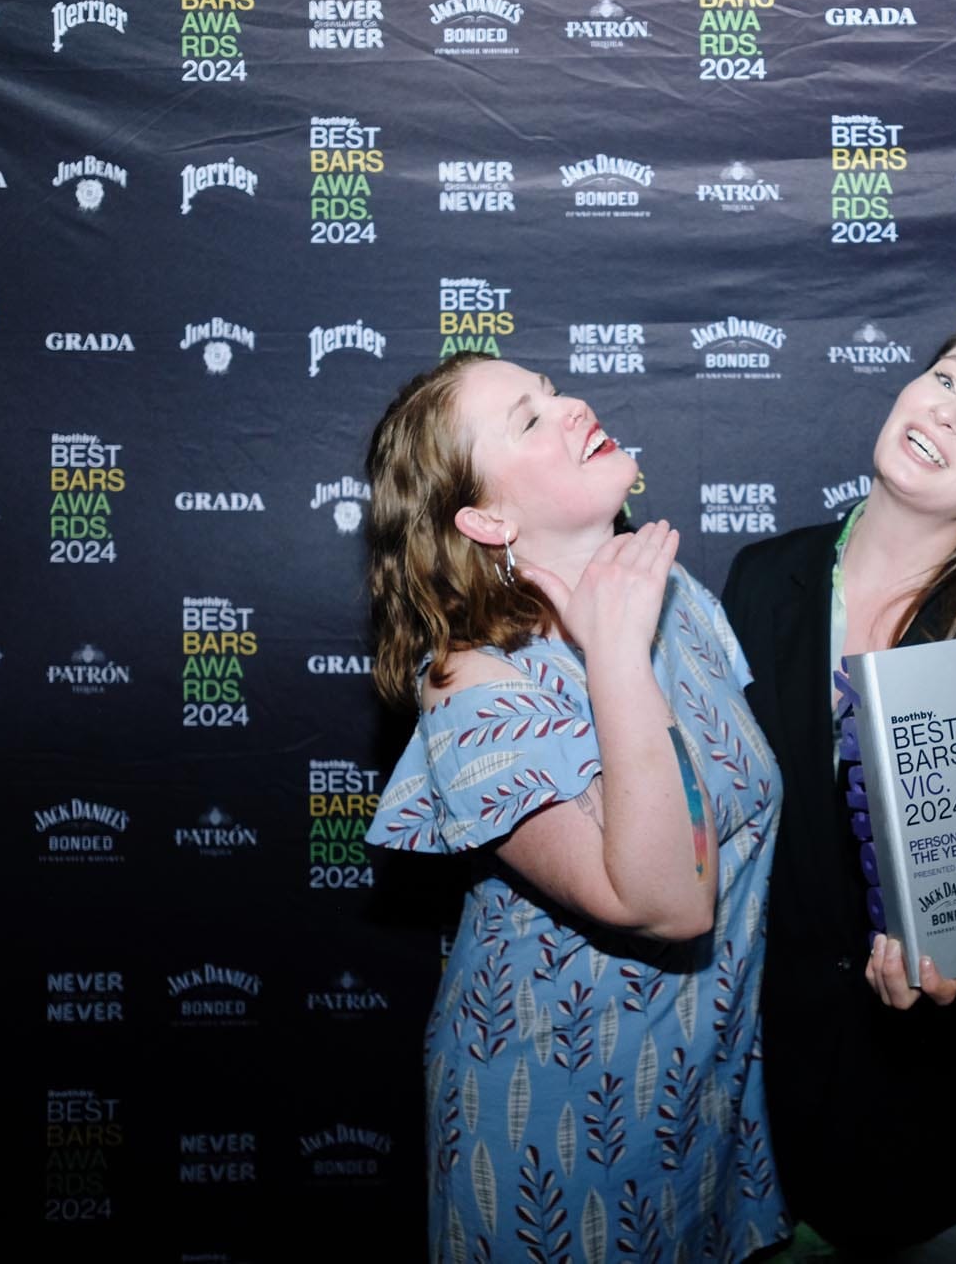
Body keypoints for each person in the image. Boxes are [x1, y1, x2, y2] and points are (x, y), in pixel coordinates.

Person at [362, 351, 790, 1262]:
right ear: (486, 517)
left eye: (554, 392)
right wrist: (615, 656)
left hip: (701, 1106)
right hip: (552, 1139)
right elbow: (665, 900)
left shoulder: (677, 597)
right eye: (527, 418)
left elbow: (744, 821)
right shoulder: (472, 684)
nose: (571, 407)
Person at [722, 317, 956, 1258]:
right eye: (944, 376)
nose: (945, 408)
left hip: (955, 1143)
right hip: (781, 1135)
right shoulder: (762, 581)